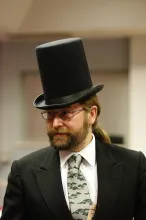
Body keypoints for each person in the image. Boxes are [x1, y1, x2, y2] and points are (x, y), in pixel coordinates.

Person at [1, 38, 146, 220]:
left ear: (91, 115)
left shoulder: (132, 165)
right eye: (50, 114)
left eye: (65, 114)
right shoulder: (24, 172)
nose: (55, 123)